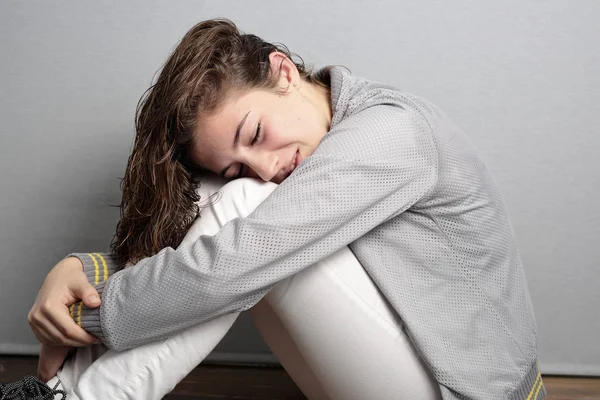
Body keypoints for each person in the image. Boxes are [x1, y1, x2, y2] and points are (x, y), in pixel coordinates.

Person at [1, 18, 545, 400]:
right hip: (400, 369)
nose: (262, 166)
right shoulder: (314, 151)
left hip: (464, 389)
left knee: (241, 206)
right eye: (241, 160)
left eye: (255, 133)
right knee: (225, 194)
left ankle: (65, 397)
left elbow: (232, 263)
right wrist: (86, 273)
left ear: (283, 71)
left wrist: (88, 314)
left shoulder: (391, 133)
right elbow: (213, 242)